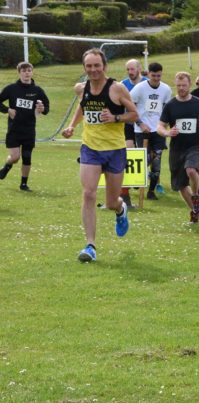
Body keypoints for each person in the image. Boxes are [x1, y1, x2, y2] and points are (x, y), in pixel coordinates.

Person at [61, 48, 136, 262]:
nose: (93, 70)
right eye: (89, 66)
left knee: (111, 202)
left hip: (114, 150)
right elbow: (83, 107)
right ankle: (90, 246)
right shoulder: (81, 88)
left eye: (97, 65)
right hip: (90, 149)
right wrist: (72, 126)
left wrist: (114, 118)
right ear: (84, 68)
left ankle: (120, 210)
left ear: (104, 66)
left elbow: (134, 114)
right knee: (88, 194)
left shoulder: (117, 89)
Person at [157, 72, 199, 223]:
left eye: (184, 85)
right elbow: (160, 126)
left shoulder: (198, 103)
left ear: (189, 85)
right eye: (178, 85)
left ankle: (195, 196)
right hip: (177, 148)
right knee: (181, 185)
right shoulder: (170, 105)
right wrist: (168, 132)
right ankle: (195, 211)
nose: (181, 88)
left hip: (194, 145)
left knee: (191, 170)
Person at [0, 62, 50, 191]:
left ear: (32, 72)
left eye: (29, 70)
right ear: (19, 73)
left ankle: (23, 184)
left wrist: (42, 108)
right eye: (24, 71)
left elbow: (46, 108)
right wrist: (7, 110)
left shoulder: (37, 90)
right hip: (14, 129)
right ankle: (6, 167)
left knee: (27, 156)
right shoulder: (11, 89)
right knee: (15, 157)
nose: (27, 73)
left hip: (29, 129)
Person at [129, 62, 173, 200]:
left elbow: (167, 109)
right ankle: (137, 178)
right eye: (153, 76)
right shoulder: (139, 88)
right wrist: (140, 124)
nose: (156, 78)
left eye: (158, 76)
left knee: (157, 160)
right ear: (148, 74)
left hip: (158, 130)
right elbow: (130, 107)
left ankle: (151, 191)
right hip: (142, 130)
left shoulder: (166, 89)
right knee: (145, 158)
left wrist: (165, 127)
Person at [121, 59, 144, 148]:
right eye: (128, 69)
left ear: (139, 69)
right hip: (129, 123)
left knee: (145, 153)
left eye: (132, 69)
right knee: (129, 149)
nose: (130, 72)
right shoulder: (122, 84)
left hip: (144, 123)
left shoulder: (147, 83)